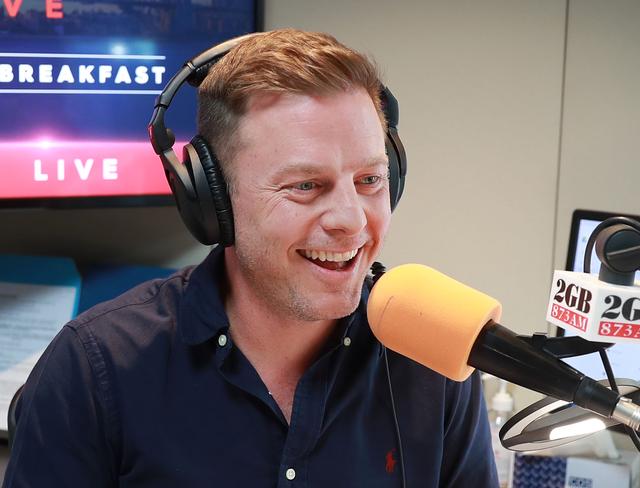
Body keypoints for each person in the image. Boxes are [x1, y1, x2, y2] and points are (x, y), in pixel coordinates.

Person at [3, 29, 498, 487]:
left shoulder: (432, 360)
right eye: (306, 186)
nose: (352, 219)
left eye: (370, 180)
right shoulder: (93, 371)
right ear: (213, 200)